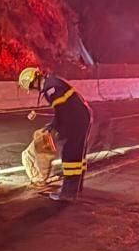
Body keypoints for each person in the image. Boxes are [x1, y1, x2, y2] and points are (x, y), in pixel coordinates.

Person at [18, 67, 93, 201]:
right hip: (81, 116)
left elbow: (61, 110)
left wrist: (58, 128)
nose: (34, 89)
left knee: (70, 156)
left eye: (31, 86)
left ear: (34, 80)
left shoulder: (50, 88)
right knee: (78, 154)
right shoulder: (52, 83)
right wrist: (53, 125)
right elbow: (63, 109)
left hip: (76, 118)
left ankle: (68, 193)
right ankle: (75, 188)